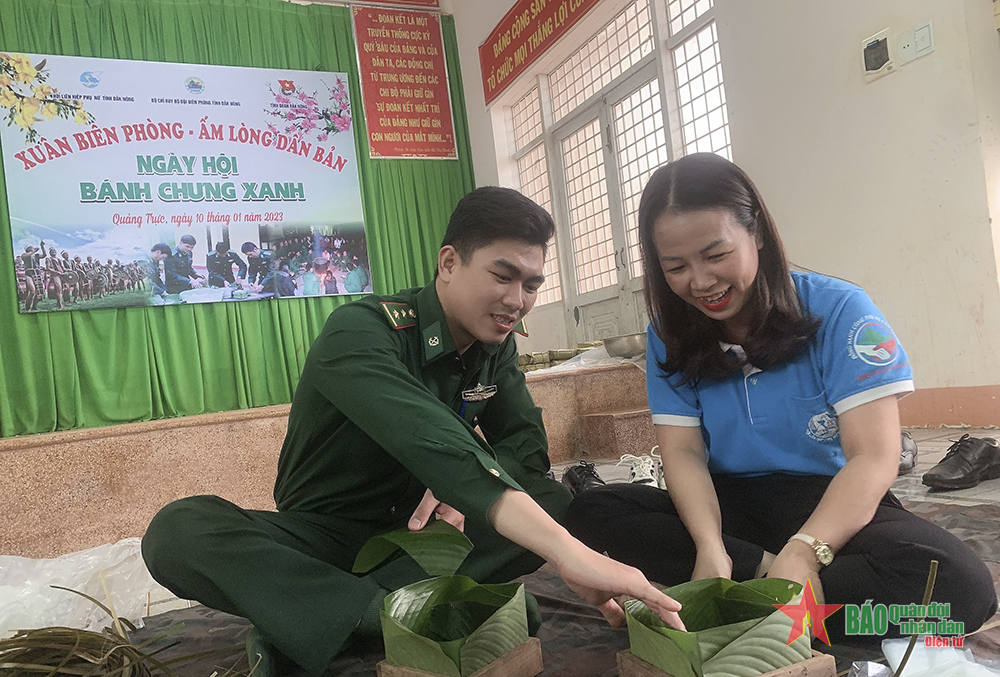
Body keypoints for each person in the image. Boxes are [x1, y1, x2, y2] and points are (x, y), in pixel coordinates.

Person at [141, 187, 684, 677]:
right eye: (502, 276)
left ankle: (318, 616)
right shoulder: (361, 331)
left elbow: (524, 450)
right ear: (449, 263)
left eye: (532, 284)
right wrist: (564, 551)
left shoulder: (494, 349)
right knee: (178, 530)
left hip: (419, 541)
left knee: (549, 498)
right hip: (322, 537)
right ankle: (407, 614)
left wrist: (462, 494)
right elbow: (421, 433)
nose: (517, 300)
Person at [565, 153, 997, 643]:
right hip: (728, 509)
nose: (700, 282)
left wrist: (807, 550)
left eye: (716, 255)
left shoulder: (841, 311)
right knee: (591, 512)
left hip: (831, 502)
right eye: (676, 266)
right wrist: (711, 547)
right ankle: (779, 595)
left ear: (757, 233)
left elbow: (874, 457)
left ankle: (756, 603)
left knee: (963, 589)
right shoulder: (669, 333)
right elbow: (683, 453)